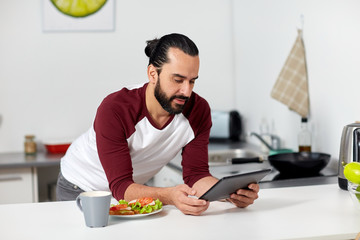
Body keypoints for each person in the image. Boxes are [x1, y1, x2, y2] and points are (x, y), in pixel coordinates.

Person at [56, 33, 259, 215]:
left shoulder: (199, 110)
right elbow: (120, 186)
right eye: (178, 80)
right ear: (153, 74)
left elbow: (196, 175)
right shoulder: (116, 109)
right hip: (81, 186)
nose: (186, 91)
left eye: (192, 81)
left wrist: (231, 194)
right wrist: (170, 196)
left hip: (130, 191)